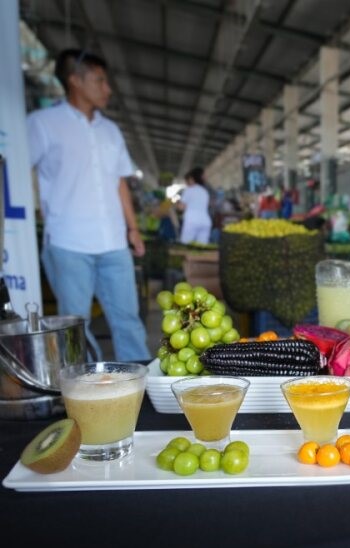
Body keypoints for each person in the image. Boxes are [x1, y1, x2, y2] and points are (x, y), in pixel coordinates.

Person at [27, 48, 149, 361]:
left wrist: (133, 229)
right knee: (75, 325)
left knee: (128, 320)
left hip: (113, 242)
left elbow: (120, 182)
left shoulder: (111, 131)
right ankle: (80, 385)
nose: (107, 89)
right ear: (75, 81)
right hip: (68, 243)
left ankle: (141, 382)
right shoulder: (43, 124)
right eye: (99, 81)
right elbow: (17, 170)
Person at [177, 167, 212, 244]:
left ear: (193, 178)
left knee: (186, 246)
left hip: (192, 221)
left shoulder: (189, 190)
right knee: (202, 247)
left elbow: (181, 207)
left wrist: (177, 205)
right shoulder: (205, 192)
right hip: (205, 222)